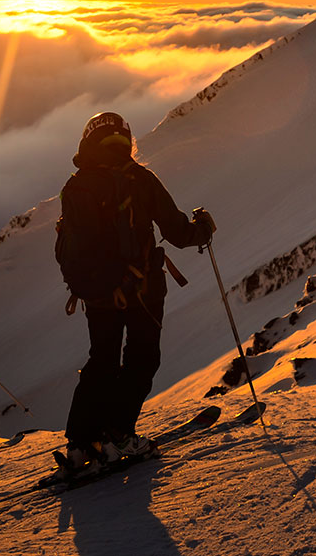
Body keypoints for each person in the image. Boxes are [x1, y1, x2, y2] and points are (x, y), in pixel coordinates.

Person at [55, 111, 215, 476]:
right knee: (142, 358)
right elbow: (177, 232)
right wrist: (203, 228)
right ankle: (119, 434)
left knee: (102, 361)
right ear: (125, 140)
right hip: (141, 289)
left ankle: (82, 443)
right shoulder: (139, 179)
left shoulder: (77, 186)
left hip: (96, 294)